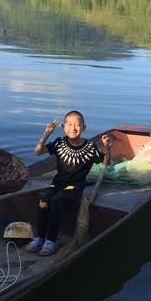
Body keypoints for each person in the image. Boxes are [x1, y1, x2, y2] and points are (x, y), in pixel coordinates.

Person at [26, 110, 111, 256]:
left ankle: (51, 240)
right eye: (70, 125)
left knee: (57, 201)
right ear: (64, 128)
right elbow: (37, 152)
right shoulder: (59, 142)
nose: (73, 128)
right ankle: (40, 237)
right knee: (44, 200)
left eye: (78, 125)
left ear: (84, 127)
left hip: (75, 186)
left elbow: (106, 163)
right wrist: (46, 133)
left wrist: (107, 148)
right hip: (57, 183)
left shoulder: (90, 147)